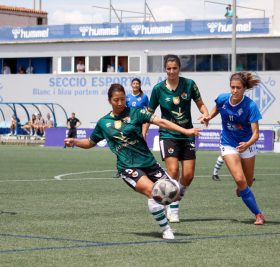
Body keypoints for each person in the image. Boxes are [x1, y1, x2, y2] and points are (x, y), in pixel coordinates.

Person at [64, 83, 202, 239]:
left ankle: (167, 212)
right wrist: (75, 142)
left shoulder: (136, 113)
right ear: (109, 100)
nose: (120, 103)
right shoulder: (103, 123)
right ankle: (166, 229)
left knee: (174, 194)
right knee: (153, 192)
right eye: (116, 100)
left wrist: (185, 130)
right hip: (128, 167)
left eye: (123, 99)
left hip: (149, 163)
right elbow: (90, 142)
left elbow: (161, 122)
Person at [143, 54, 209, 223]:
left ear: (180, 68)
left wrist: (205, 114)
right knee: (173, 173)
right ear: (165, 69)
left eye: (174, 68)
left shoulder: (189, 84)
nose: (171, 71)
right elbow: (149, 114)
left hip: (188, 134)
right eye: (168, 68)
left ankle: (172, 199)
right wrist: (143, 134)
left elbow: (200, 104)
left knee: (188, 175)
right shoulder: (158, 89)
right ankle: (173, 210)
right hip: (168, 135)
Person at [202, 72, 265, 225]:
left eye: (238, 88)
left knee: (247, 183)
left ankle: (243, 188)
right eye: (232, 87)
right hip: (228, 143)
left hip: (247, 144)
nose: (235, 91)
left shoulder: (250, 106)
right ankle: (258, 214)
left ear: (244, 88)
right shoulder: (223, 98)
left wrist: (247, 144)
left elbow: (256, 134)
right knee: (239, 179)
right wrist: (209, 116)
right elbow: (217, 107)